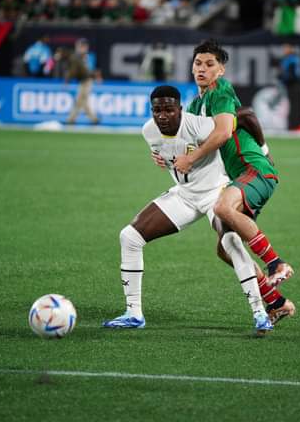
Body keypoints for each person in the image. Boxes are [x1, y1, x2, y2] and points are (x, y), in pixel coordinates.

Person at [102, 86, 275, 335]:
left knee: (230, 242)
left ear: (180, 109)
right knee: (129, 237)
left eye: (169, 110)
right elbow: (168, 154)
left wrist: (264, 152)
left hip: (216, 191)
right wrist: (161, 159)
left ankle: (259, 313)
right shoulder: (148, 131)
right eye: (157, 110)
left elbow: (245, 115)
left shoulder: (199, 125)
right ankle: (133, 313)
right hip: (185, 196)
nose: (162, 115)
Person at [173, 40, 294, 289]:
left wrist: (264, 150)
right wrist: (167, 157)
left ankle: (276, 263)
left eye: (210, 64)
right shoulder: (195, 106)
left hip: (254, 170)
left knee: (222, 207)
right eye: (198, 63)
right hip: (240, 177)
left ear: (221, 70)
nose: (202, 69)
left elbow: (229, 129)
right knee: (225, 248)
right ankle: (275, 301)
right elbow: (191, 146)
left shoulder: (220, 90)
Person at [65, 39, 101, 124]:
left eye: (84, 47)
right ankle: (94, 119)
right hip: (83, 81)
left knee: (80, 100)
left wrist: (97, 76)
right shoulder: (76, 57)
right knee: (82, 101)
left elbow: (92, 69)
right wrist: (67, 80)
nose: (82, 48)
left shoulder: (88, 57)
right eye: (80, 46)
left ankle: (71, 119)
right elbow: (72, 71)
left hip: (87, 81)